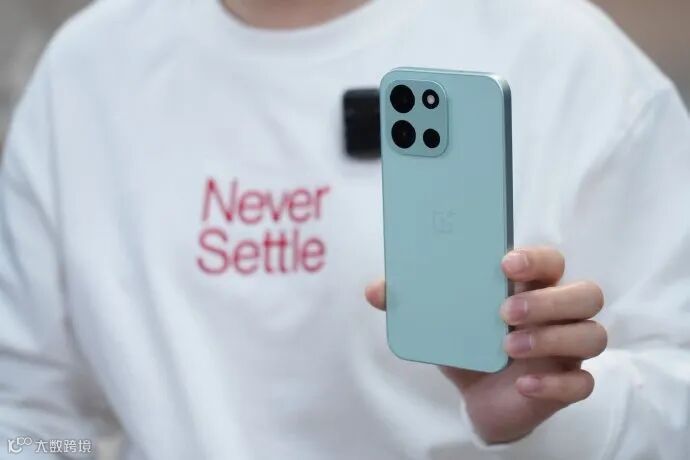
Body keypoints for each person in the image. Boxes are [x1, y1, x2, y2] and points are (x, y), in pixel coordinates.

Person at [1, 0, 689, 458]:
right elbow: (25, 413)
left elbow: (675, 395)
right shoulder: (86, 70)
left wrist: (555, 415)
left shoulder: (566, 58)